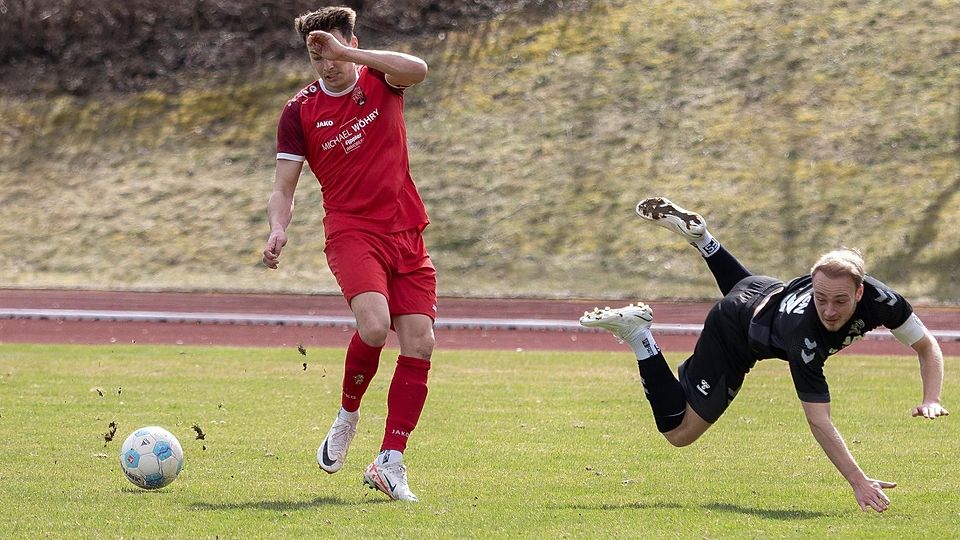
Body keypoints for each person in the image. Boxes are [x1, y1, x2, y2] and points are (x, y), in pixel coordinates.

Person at [580, 197, 948, 513]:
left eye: (839, 300)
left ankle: (704, 240)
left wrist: (931, 398)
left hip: (762, 289)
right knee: (680, 432)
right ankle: (639, 335)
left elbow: (926, 346)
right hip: (736, 330)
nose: (829, 310)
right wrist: (857, 480)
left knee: (749, 289)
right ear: (813, 284)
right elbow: (819, 420)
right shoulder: (807, 340)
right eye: (820, 299)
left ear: (861, 292)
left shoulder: (885, 301)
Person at [261, 6, 435, 502]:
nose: (327, 63)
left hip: (406, 229)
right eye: (317, 55)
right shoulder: (299, 111)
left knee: (420, 343)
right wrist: (277, 228)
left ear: (351, 42)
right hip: (352, 232)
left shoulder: (381, 78)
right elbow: (283, 186)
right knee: (376, 326)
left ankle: (390, 462)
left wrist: (349, 54)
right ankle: (347, 415)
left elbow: (419, 69)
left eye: (333, 51)